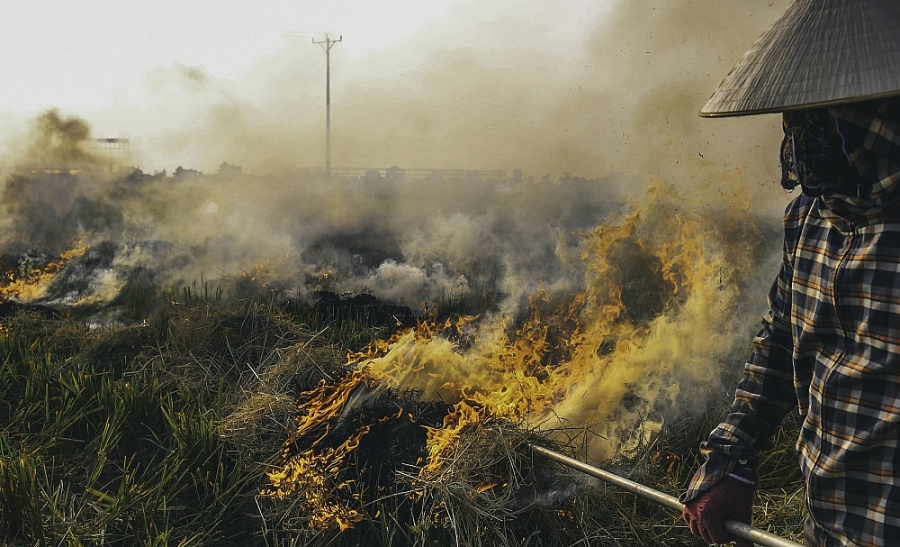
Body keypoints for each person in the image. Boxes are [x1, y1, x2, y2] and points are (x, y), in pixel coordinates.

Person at [680, 1, 900, 546]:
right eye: (799, 116)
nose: (802, 137)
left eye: (824, 116)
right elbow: (780, 338)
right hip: (827, 524)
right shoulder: (811, 216)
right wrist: (731, 455)